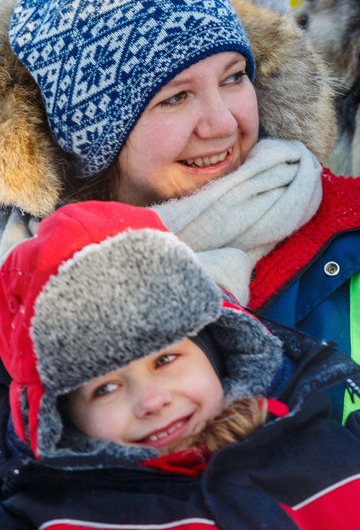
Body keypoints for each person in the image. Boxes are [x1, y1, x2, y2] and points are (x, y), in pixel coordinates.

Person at [1, 0, 360, 425]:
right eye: (174, 98)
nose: (222, 123)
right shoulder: (22, 305)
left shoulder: (346, 233)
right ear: (87, 138)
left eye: (234, 78)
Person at [0, 200, 360, 529]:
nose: (152, 401)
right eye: (105, 388)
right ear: (62, 417)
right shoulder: (50, 518)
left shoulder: (331, 450)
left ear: (216, 352)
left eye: (165, 359)